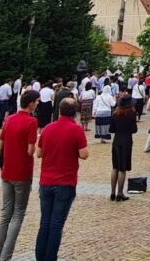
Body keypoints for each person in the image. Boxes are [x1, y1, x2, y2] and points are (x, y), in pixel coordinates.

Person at [35, 97, 89, 261]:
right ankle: (51, 258)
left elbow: (39, 153)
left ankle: (40, 257)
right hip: (65, 182)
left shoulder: (48, 128)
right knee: (56, 224)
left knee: (45, 222)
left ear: (59, 110)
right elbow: (84, 154)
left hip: (46, 181)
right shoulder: (76, 129)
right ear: (75, 113)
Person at [0, 90, 39, 261]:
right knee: (18, 214)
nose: (37, 104)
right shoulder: (31, 121)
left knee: (5, 213)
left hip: (6, 170)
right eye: (36, 102)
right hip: (22, 171)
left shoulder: (10, 119)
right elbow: (30, 150)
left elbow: (0, 145)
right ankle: (5, 257)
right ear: (30, 104)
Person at [110, 94, 138, 202]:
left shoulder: (115, 114)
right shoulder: (131, 115)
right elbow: (134, 130)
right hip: (126, 141)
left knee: (115, 167)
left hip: (116, 141)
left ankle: (112, 192)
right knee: (122, 168)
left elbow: (111, 130)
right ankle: (120, 193)